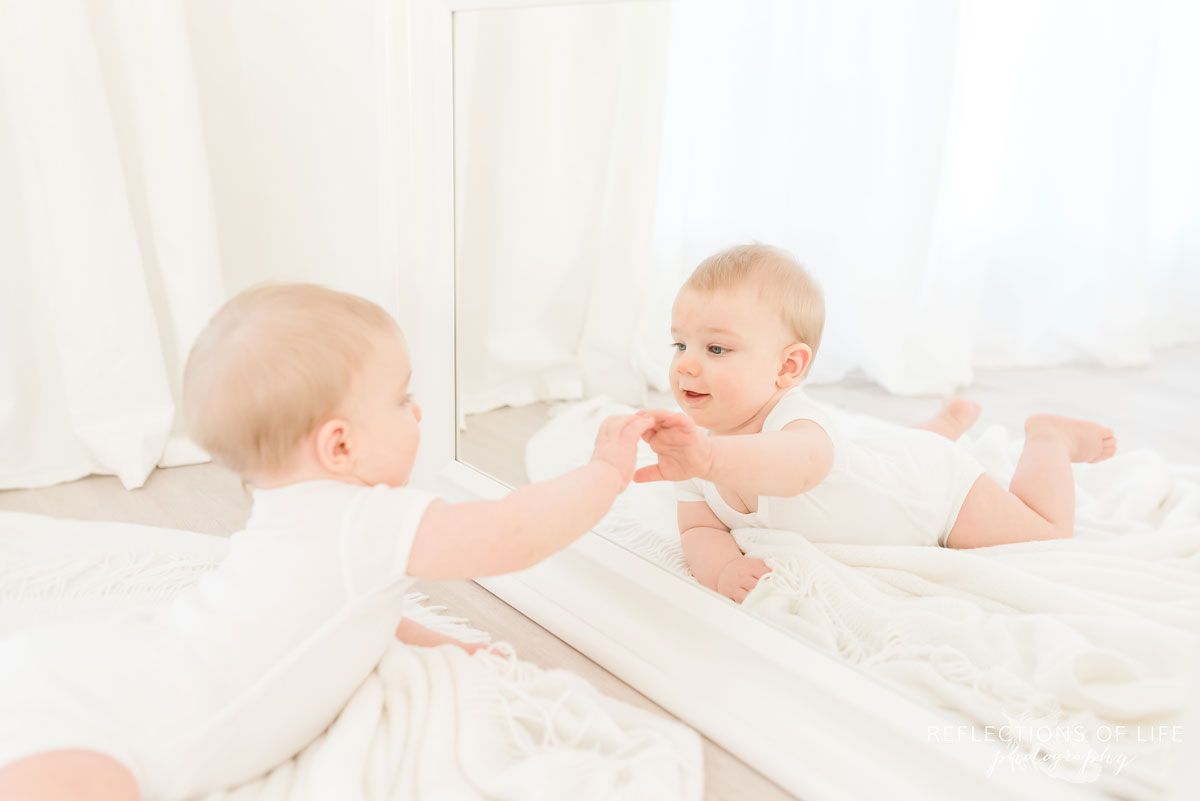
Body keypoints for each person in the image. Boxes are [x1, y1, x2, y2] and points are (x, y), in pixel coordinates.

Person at [0, 283, 654, 801]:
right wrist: (602, 473)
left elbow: (350, 610)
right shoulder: (366, 520)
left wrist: (449, 644)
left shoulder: (293, 516)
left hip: (98, 679)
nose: (419, 413)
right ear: (341, 444)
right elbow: (512, 533)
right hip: (111, 727)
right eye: (404, 399)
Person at [633, 243, 1117, 603]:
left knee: (1046, 536)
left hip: (937, 496)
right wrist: (722, 571)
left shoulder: (798, 427)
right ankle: (942, 425)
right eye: (680, 345)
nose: (686, 365)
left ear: (788, 368)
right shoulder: (695, 454)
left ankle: (1049, 439)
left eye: (716, 348)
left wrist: (708, 458)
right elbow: (699, 531)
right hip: (892, 465)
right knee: (882, 459)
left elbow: (797, 468)